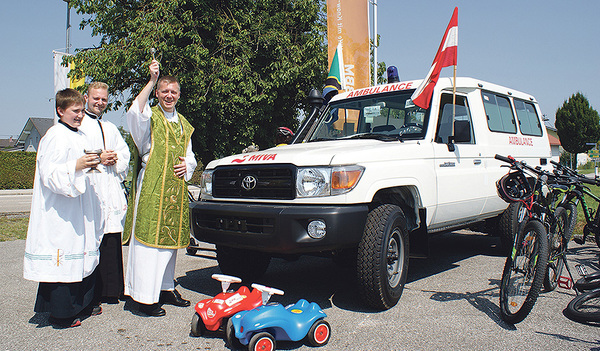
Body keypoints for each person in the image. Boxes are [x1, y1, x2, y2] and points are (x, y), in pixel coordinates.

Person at [23, 88, 104, 328]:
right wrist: (76, 165)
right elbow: (49, 174)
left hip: (78, 207)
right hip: (60, 210)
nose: (80, 115)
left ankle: (83, 303)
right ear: (60, 110)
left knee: (81, 252)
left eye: (81, 111)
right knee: (63, 257)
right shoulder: (55, 135)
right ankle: (62, 313)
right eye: (75, 111)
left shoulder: (78, 135)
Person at [123, 59, 197, 317]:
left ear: (178, 95)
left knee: (168, 245)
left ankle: (166, 287)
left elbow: (190, 155)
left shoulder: (184, 124)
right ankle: (143, 297)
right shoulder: (149, 117)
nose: (169, 96)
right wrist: (151, 79)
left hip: (174, 190)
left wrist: (187, 166)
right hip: (153, 188)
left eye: (173, 92)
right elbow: (133, 113)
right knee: (148, 244)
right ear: (157, 93)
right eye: (164, 91)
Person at [80, 82, 130, 308]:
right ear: (85, 97)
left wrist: (115, 158)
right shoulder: (79, 125)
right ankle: (93, 293)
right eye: (95, 98)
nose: (100, 102)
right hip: (91, 187)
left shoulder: (109, 127)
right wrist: (100, 157)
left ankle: (113, 290)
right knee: (91, 238)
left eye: (103, 99)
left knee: (111, 238)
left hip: (108, 186)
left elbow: (124, 151)